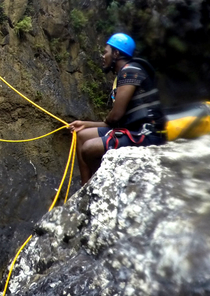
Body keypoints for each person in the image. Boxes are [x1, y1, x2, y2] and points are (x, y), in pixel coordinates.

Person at [69, 33, 166, 184]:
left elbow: (115, 117)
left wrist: (93, 123)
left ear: (116, 53)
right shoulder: (125, 73)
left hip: (146, 134)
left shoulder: (131, 71)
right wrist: (85, 124)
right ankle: (85, 186)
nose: (103, 56)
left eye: (105, 52)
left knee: (89, 148)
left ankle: (98, 186)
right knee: (82, 136)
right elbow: (115, 122)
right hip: (132, 130)